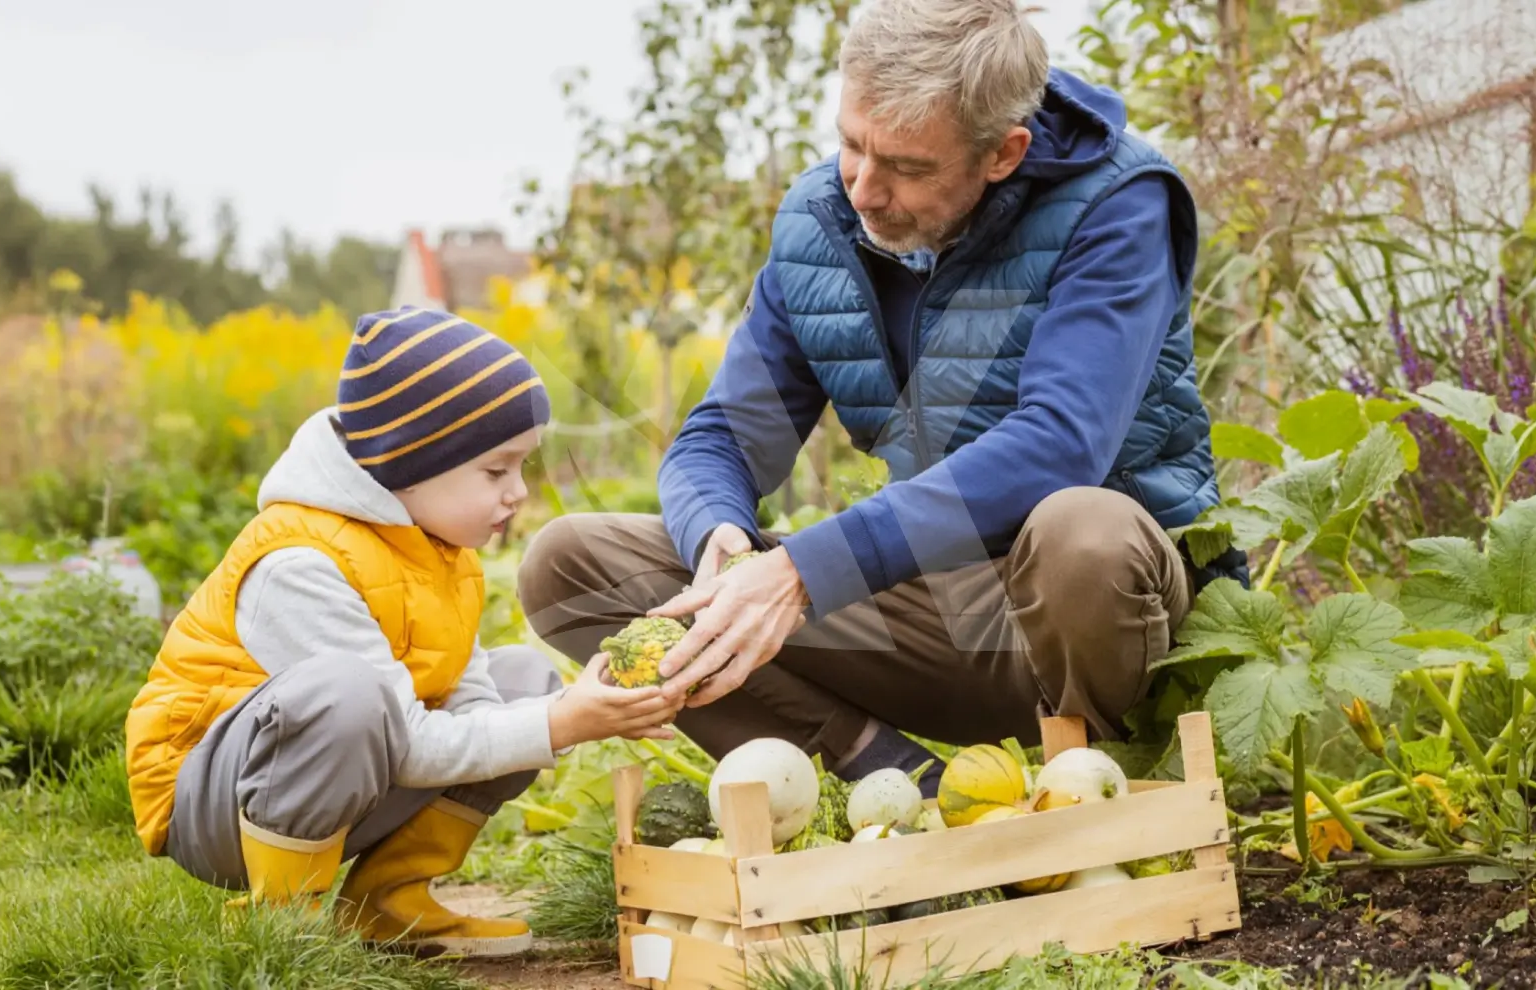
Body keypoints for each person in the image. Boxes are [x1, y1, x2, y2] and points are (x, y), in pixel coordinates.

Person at [517, 0, 1246, 798]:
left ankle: (1094, 789)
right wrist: (718, 544)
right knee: (572, 565)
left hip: (1098, 621)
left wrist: (803, 569)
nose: (863, 188)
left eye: (906, 167)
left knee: (1083, 531)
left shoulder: (1117, 204)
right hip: (936, 609)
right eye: (850, 145)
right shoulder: (821, 221)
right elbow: (722, 435)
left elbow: (1060, 444)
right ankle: (895, 780)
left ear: (1004, 154)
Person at [123, 307, 680, 957]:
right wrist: (559, 725)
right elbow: (405, 741)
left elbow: (471, 711)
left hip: (349, 771)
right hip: (219, 804)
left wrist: (568, 708)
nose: (517, 493)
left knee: (523, 684)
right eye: (496, 471)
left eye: (521, 468)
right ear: (411, 462)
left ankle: (386, 901)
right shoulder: (299, 564)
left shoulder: (441, 554)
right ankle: (281, 927)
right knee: (349, 692)